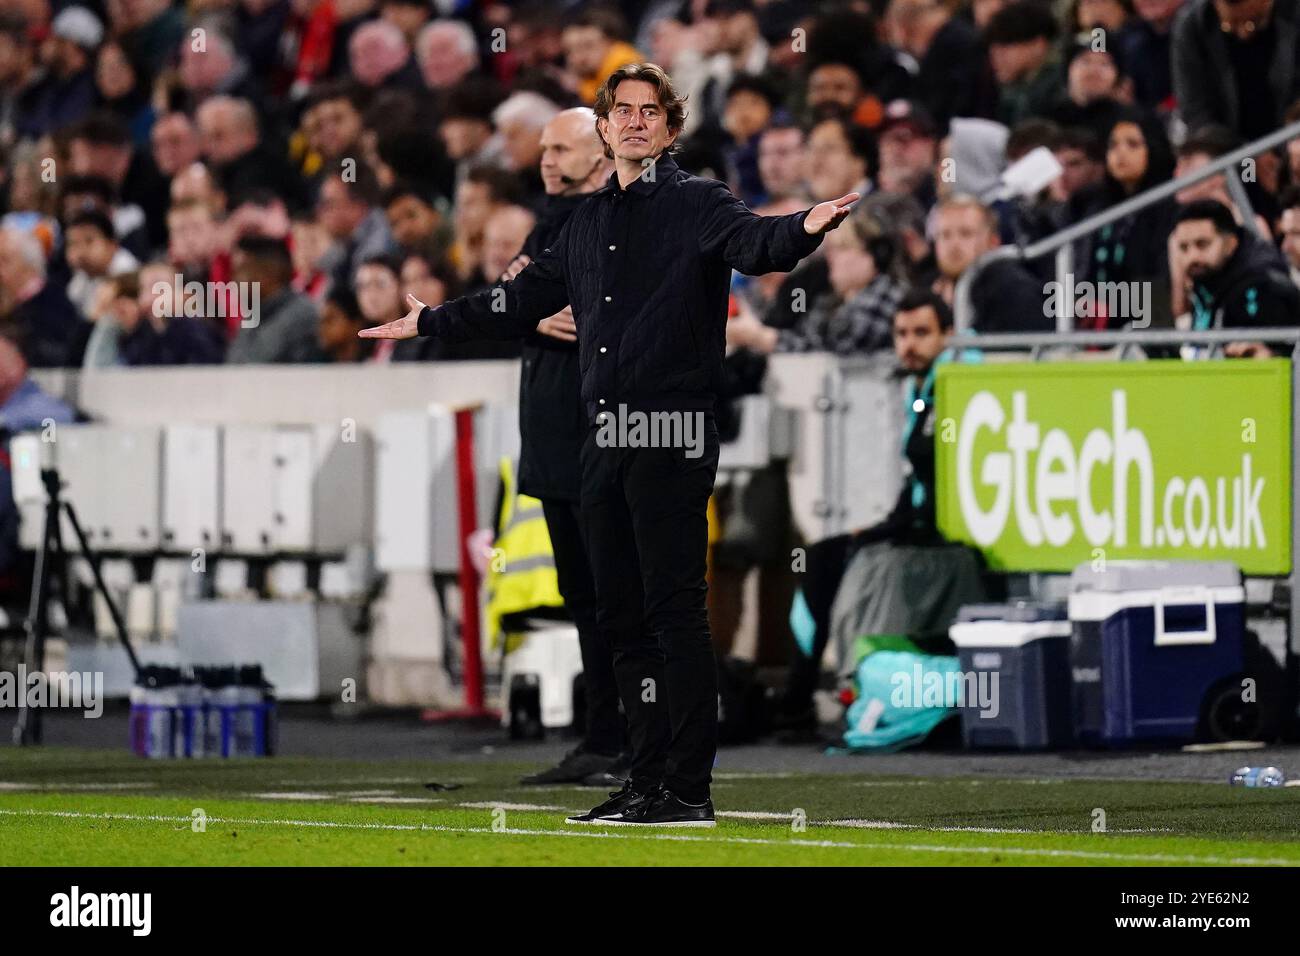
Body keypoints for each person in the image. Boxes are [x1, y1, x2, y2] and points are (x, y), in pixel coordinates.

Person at [362, 62, 855, 827]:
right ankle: (645, 776)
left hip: (670, 430)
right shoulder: (584, 224)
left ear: (668, 126)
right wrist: (431, 321)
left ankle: (688, 789)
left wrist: (804, 227)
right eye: (620, 111)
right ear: (603, 127)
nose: (633, 122)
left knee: (673, 612)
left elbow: (758, 244)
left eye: (648, 112)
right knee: (619, 618)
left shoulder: (699, 202)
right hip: (601, 436)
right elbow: (518, 300)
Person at [774, 289, 977, 731]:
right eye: (901, 333)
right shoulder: (923, 389)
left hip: (947, 537)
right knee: (821, 555)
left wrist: (894, 526)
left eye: (922, 333)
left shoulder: (961, 386)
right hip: (918, 524)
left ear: (949, 335)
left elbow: (951, 478)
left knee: (828, 561)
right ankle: (798, 695)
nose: (909, 344)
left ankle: (800, 698)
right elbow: (921, 479)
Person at [1170, 198, 1300, 356]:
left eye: (1202, 244)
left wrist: (1272, 355)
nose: (1192, 257)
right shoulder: (1207, 280)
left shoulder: (1263, 288)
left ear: (1231, 244)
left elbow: (1280, 355)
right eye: (1184, 248)